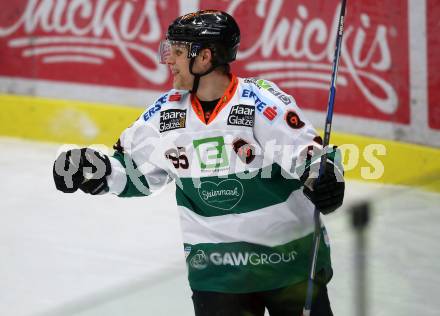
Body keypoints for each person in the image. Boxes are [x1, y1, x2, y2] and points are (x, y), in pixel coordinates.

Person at [53, 10, 344, 316]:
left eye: (178, 52)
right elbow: (134, 173)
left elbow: (313, 156)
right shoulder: (166, 115)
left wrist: (327, 179)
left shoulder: (260, 102)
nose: (168, 60)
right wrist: (93, 169)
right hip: (217, 273)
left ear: (204, 58)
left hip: (287, 263)